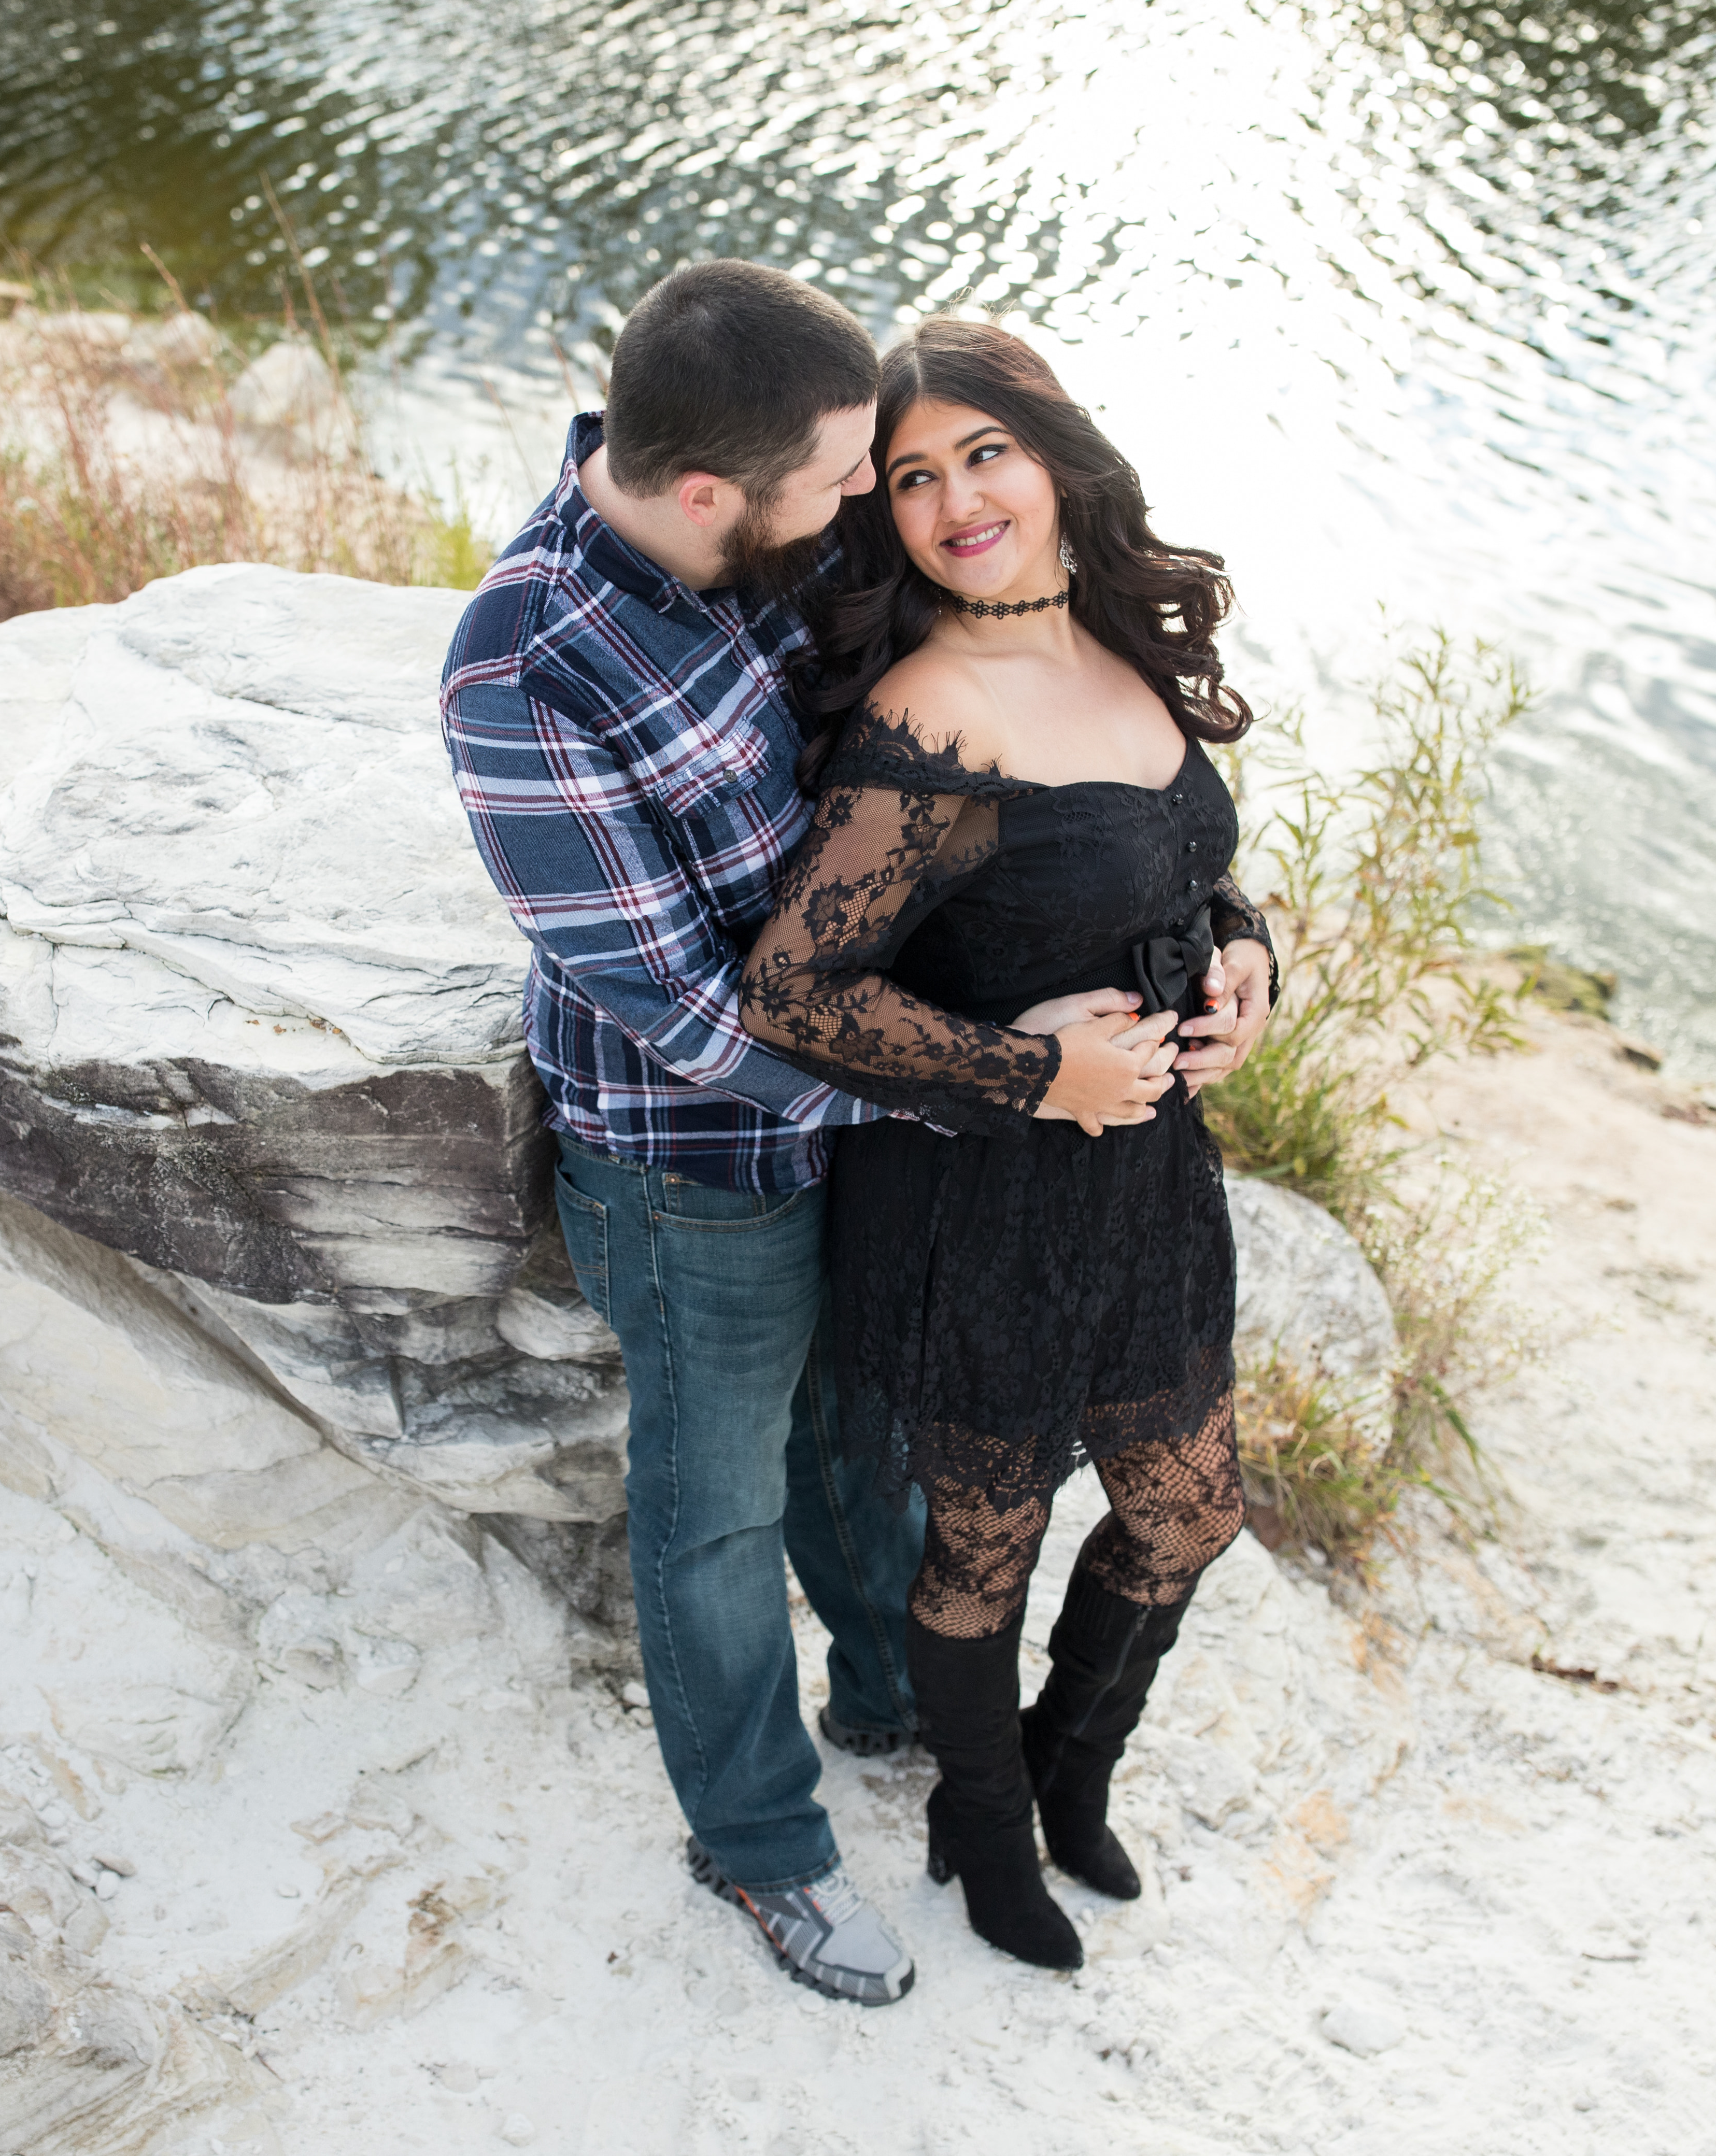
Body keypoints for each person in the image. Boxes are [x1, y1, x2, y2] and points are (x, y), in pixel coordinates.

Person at [437, 264, 1177, 2006]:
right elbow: (691, 1022)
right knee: (712, 1514)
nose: (876, 503)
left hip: (875, 1107)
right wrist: (987, 1074)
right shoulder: (524, 673)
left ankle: (893, 1695)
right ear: (712, 489)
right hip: (694, 1167)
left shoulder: (776, 530)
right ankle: (761, 1848)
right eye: (851, 475)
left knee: (867, 1438)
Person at [740, 317, 1280, 1973]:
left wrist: (1250, 953)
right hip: (983, 1202)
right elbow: (792, 992)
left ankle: (1067, 1767)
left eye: (986, 454)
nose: (958, 498)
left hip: (1147, 1187)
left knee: (1189, 1510)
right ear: (883, 516)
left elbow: (1170, 874)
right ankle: (981, 1829)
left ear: (1055, 458)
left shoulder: (1115, 644)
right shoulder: (933, 720)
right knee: (984, 1541)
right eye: (912, 479)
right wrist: (1025, 1075)